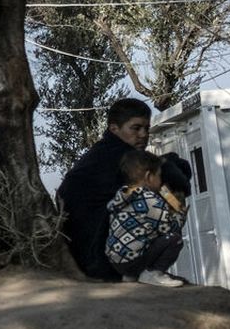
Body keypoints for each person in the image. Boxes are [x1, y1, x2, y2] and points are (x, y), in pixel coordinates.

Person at [57, 96, 191, 282]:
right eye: (135, 128)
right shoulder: (122, 157)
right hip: (99, 258)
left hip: (86, 252)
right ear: (114, 129)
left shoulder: (102, 153)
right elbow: (175, 180)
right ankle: (148, 271)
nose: (143, 134)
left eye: (146, 128)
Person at [105, 149, 187, 287]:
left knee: (146, 235)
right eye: (159, 176)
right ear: (149, 177)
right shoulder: (149, 200)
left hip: (116, 261)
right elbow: (171, 227)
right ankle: (154, 274)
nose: (161, 181)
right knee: (175, 239)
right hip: (132, 261)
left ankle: (131, 276)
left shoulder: (123, 196)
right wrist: (178, 208)